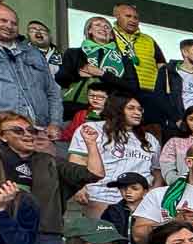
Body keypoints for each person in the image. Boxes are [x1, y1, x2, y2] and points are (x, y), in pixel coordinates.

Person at [0, 108, 103, 244]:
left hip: (44, 234)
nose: (27, 135)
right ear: (0, 136)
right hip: (0, 231)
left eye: (31, 130)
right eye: (17, 130)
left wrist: (91, 143)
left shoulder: (49, 160)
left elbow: (94, 173)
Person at [68, 94, 160, 225]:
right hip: (99, 195)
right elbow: (77, 160)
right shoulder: (93, 129)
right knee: (102, 238)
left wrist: (150, 195)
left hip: (138, 202)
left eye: (140, 109)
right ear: (117, 109)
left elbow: (157, 171)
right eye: (131, 108)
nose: (137, 112)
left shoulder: (149, 139)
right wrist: (78, 187)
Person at [0, 1, 63, 131]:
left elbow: (53, 92)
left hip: (39, 133)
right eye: (2, 20)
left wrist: (55, 124)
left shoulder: (33, 52)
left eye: (14, 23)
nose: (9, 26)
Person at [159, 106, 193, 185]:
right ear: (185, 122)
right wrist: (179, 184)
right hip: (179, 188)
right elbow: (167, 167)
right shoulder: (174, 142)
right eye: (192, 119)